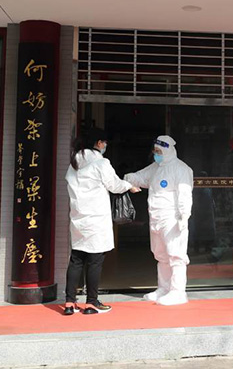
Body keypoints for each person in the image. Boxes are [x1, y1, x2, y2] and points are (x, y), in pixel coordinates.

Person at [64, 128, 140, 315]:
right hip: (96, 219)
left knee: (76, 260)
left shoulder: (74, 162)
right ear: (99, 143)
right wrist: (129, 185)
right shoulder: (101, 162)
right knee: (95, 260)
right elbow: (114, 185)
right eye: (105, 142)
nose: (105, 146)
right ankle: (91, 303)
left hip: (78, 218)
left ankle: (69, 303)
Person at [125, 135, 194, 306]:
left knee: (176, 255)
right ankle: (164, 288)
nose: (156, 154)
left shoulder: (181, 169)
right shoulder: (156, 167)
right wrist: (128, 178)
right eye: (155, 151)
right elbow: (141, 178)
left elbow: (184, 193)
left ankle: (178, 292)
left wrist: (184, 215)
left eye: (159, 151)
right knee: (161, 255)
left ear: (168, 150)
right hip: (155, 217)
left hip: (172, 217)